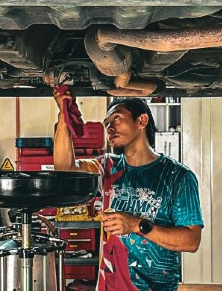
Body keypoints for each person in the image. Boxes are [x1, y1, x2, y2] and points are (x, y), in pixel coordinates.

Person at [53, 92, 203, 291]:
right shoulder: (108, 166)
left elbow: (191, 241)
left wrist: (136, 225)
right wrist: (64, 115)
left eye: (117, 118)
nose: (110, 128)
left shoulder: (178, 176)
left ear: (141, 121)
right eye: (107, 124)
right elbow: (65, 170)